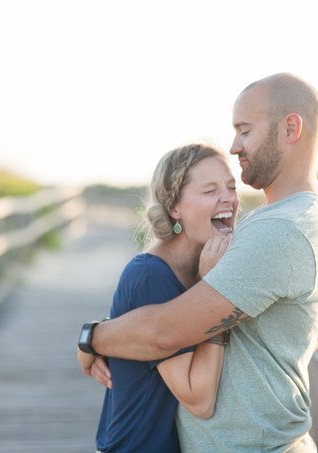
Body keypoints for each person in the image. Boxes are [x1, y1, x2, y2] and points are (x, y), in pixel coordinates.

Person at [78, 73, 318, 452]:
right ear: (175, 207)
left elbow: (164, 333)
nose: (235, 146)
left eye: (245, 131)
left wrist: (92, 338)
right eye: (210, 190)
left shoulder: (282, 229)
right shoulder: (298, 219)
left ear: (290, 128)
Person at [78, 143, 239, 452]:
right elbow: (199, 399)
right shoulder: (151, 275)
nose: (228, 198)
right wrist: (215, 288)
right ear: (174, 207)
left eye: (231, 187)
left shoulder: (200, 263)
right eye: (209, 191)